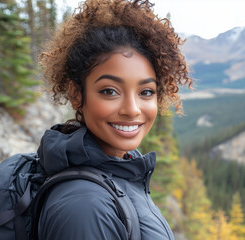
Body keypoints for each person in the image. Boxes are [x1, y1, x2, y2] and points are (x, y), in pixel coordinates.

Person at [35, 0, 192, 239]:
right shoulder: (85, 207)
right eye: (110, 91)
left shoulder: (122, 169)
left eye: (146, 92)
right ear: (77, 94)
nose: (132, 109)